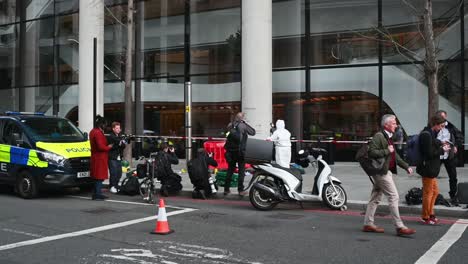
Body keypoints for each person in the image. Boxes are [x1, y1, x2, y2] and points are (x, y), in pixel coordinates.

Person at [363, 114, 415, 236]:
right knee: (393, 196)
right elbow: (371, 152)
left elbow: (394, 155)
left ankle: (368, 224)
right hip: (381, 172)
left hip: (384, 171)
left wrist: (406, 166)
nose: (396, 125)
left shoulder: (388, 136)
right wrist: (387, 150)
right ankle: (399, 226)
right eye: (393, 123)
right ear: (386, 125)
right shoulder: (379, 136)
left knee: (375, 197)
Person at [417, 115, 451, 225]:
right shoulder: (426, 134)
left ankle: (430, 214)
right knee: (428, 193)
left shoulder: (431, 133)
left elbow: (433, 143)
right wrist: (442, 150)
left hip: (432, 169)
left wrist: (441, 143)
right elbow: (429, 153)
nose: (441, 128)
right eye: (441, 126)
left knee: (434, 192)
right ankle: (426, 216)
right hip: (428, 169)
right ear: (435, 124)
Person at [435, 110, 464, 206]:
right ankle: (434, 195)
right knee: (433, 175)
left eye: (443, 117)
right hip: (437, 154)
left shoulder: (451, 126)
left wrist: (455, 146)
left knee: (453, 176)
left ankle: (453, 196)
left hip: (449, 155)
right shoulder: (434, 126)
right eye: (439, 117)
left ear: (446, 117)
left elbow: (460, 137)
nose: (441, 120)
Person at [223, 112, 256, 196]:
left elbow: (226, 134)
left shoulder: (230, 125)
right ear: (242, 118)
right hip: (240, 152)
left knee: (230, 170)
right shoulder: (243, 125)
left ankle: (226, 189)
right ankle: (240, 190)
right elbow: (253, 132)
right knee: (241, 171)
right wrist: (245, 123)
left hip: (230, 152)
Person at [89, 115, 113, 200]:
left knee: (97, 176)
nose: (105, 126)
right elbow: (100, 147)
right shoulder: (98, 132)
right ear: (101, 124)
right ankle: (97, 194)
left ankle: (96, 193)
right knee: (99, 176)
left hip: (96, 156)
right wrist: (109, 147)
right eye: (104, 124)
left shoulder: (93, 131)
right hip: (100, 157)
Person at [106, 122, 127, 194]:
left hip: (118, 157)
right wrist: (120, 143)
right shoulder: (111, 136)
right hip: (112, 157)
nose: (118, 129)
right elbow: (115, 144)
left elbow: (124, 145)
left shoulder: (120, 136)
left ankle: (115, 185)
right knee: (113, 173)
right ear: (113, 129)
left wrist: (120, 143)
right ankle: (112, 186)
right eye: (117, 128)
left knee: (119, 173)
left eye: (119, 128)